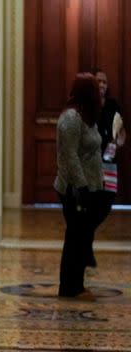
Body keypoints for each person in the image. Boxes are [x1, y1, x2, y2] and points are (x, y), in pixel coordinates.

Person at [54, 73, 103, 300]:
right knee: (75, 239)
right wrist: (82, 188)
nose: (101, 92)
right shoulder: (71, 118)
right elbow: (70, 156)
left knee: (82, 237)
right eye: (96, 88)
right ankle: (69, 287)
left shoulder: (87, 117)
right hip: (75, 189)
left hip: (89, 186)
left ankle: (77, 284)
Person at [90, 69, 127, 266]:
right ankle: (86, 246)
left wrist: (119, 139)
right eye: (98, 81)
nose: (102, 85)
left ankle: (86, 235)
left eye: (104, 82)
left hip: (109, 163)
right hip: (91, 162)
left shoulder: (113, 105)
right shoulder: (87, 106)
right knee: (92, 201)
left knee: (106, 203)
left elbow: (121, 133)